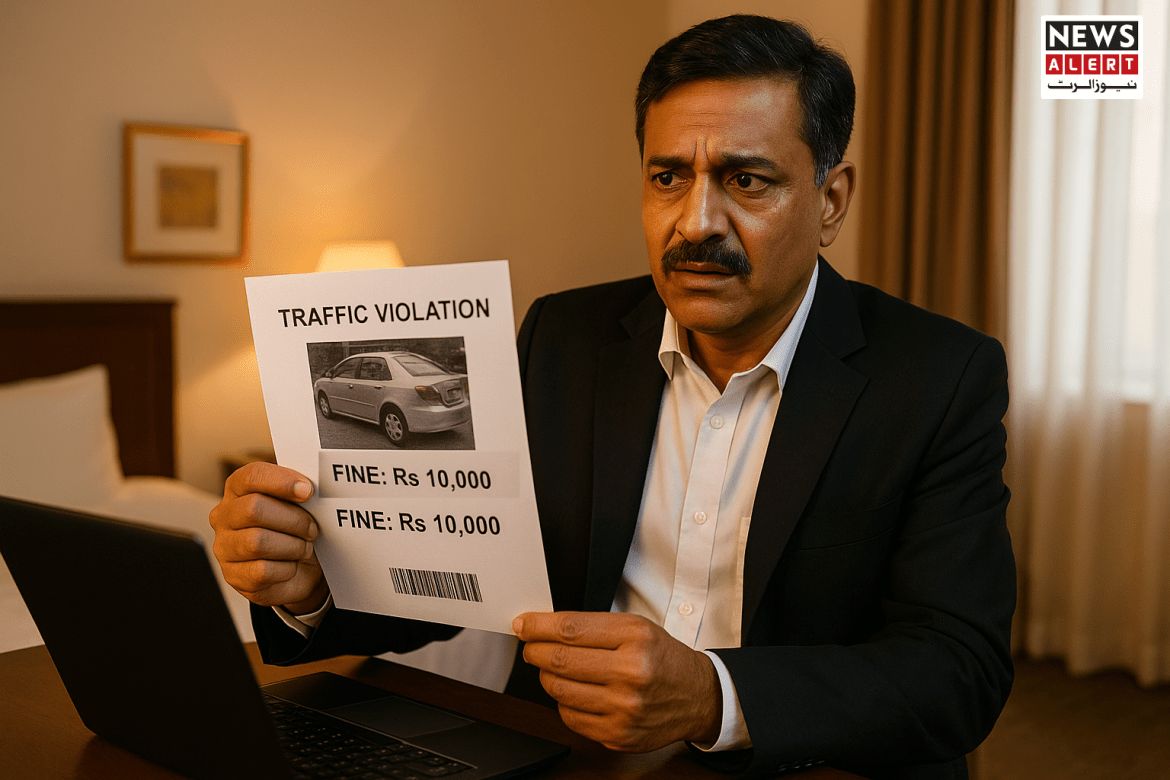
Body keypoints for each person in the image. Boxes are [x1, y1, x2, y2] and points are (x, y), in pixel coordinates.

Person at [210, 15, 1014, 779]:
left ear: (830, 201)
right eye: (669, 178)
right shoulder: (563, 338)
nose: (696, 223)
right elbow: (457, 576)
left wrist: (713, 697)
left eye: (745, 180)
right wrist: (310, 590)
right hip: (571, 757)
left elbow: (958, 667)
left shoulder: (940, 376)